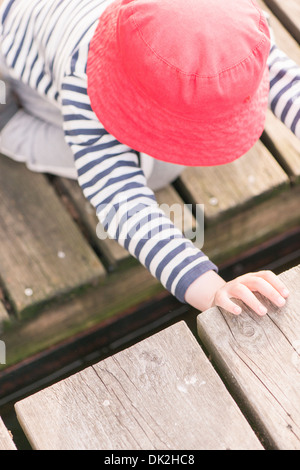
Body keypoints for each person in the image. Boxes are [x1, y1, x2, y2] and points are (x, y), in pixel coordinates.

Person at [0, 0, 298, 316]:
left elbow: (287, 83)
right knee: (156, 171)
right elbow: (122, 201)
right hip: (13, 59)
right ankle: (9, 126)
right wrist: (213, 291)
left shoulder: (239, 30)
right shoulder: (84, 84)